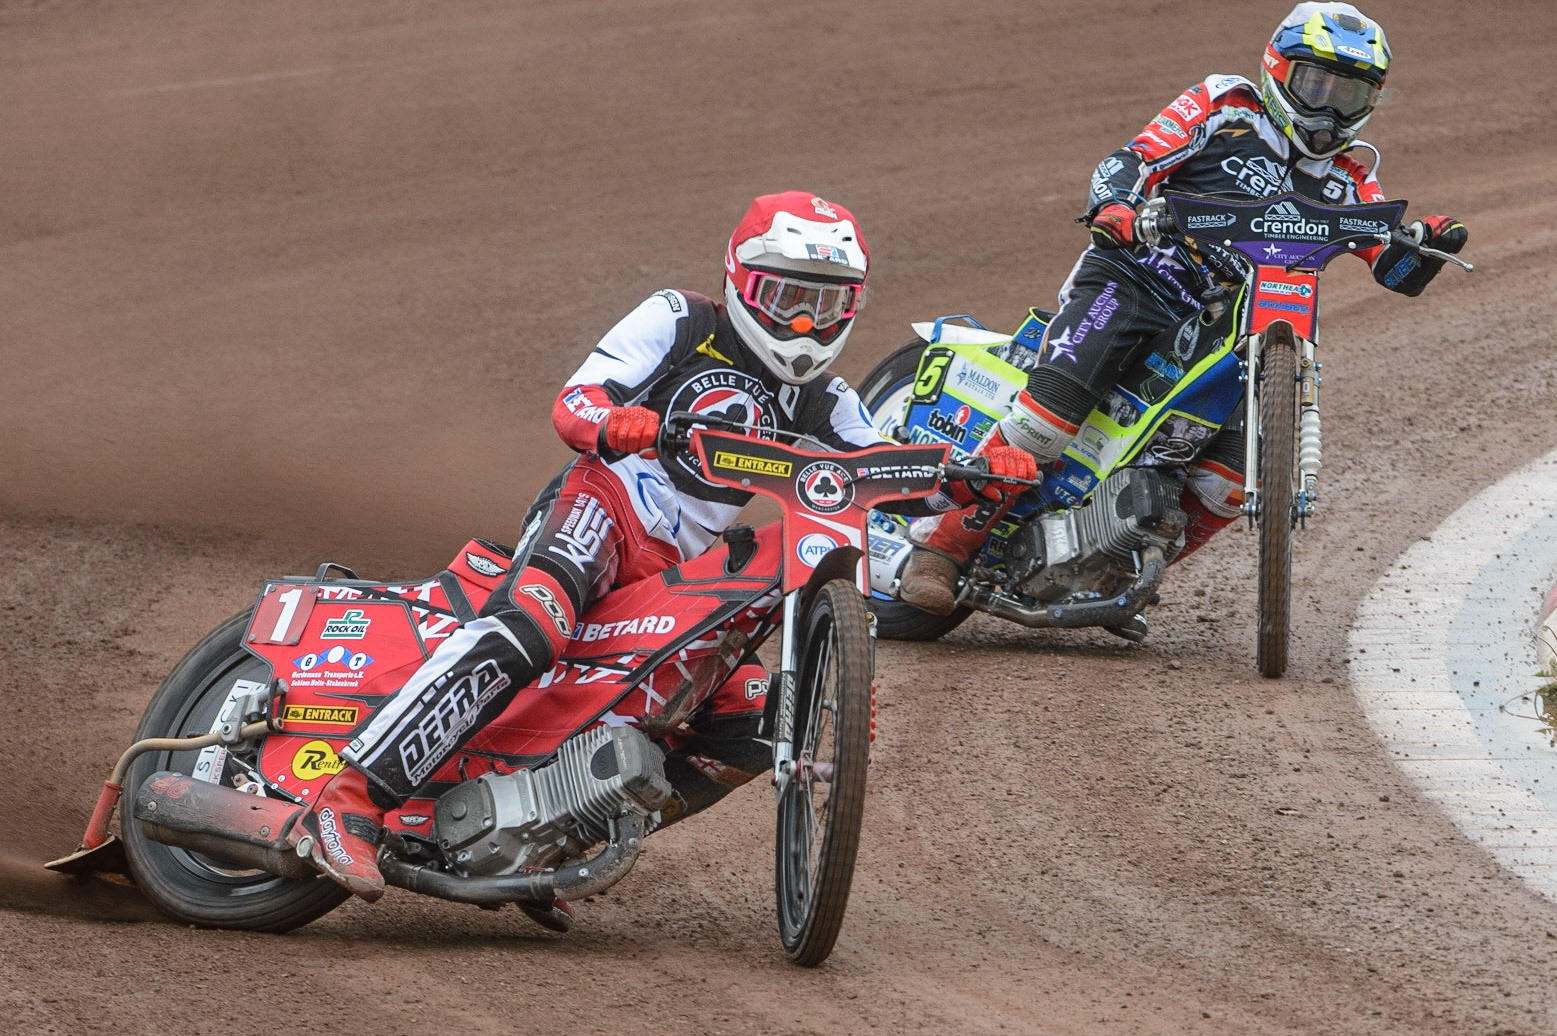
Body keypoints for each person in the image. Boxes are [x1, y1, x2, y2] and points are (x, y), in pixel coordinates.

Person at [286, 191, 1037, 911]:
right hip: (602, 509)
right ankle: (346, 801)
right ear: (741, 283)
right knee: (530, 630)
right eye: (787, 299)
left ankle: (556, 840)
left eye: (829, 304)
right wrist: (618, 425)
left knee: (752, 723)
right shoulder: (680, 320)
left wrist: (972, 479)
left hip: (683, 570)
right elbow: (576, 399)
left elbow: (879, 474)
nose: (807, 324)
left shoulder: (827, 400)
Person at [896, 1, 1469, 622]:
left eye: (1348, 92)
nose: (1328, 108)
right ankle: (943, 547)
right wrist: (1116, 203)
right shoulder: (1226, 104)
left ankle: (1109, 569)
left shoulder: (1351, 178)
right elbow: (1135, 158)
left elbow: (1392, 267)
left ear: (1371, 99)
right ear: (1279, 69)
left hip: (1238, 328)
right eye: (1315, 84)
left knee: (1228, 483)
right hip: (1140, 276)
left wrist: (1426, 247)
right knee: (1051, 420)